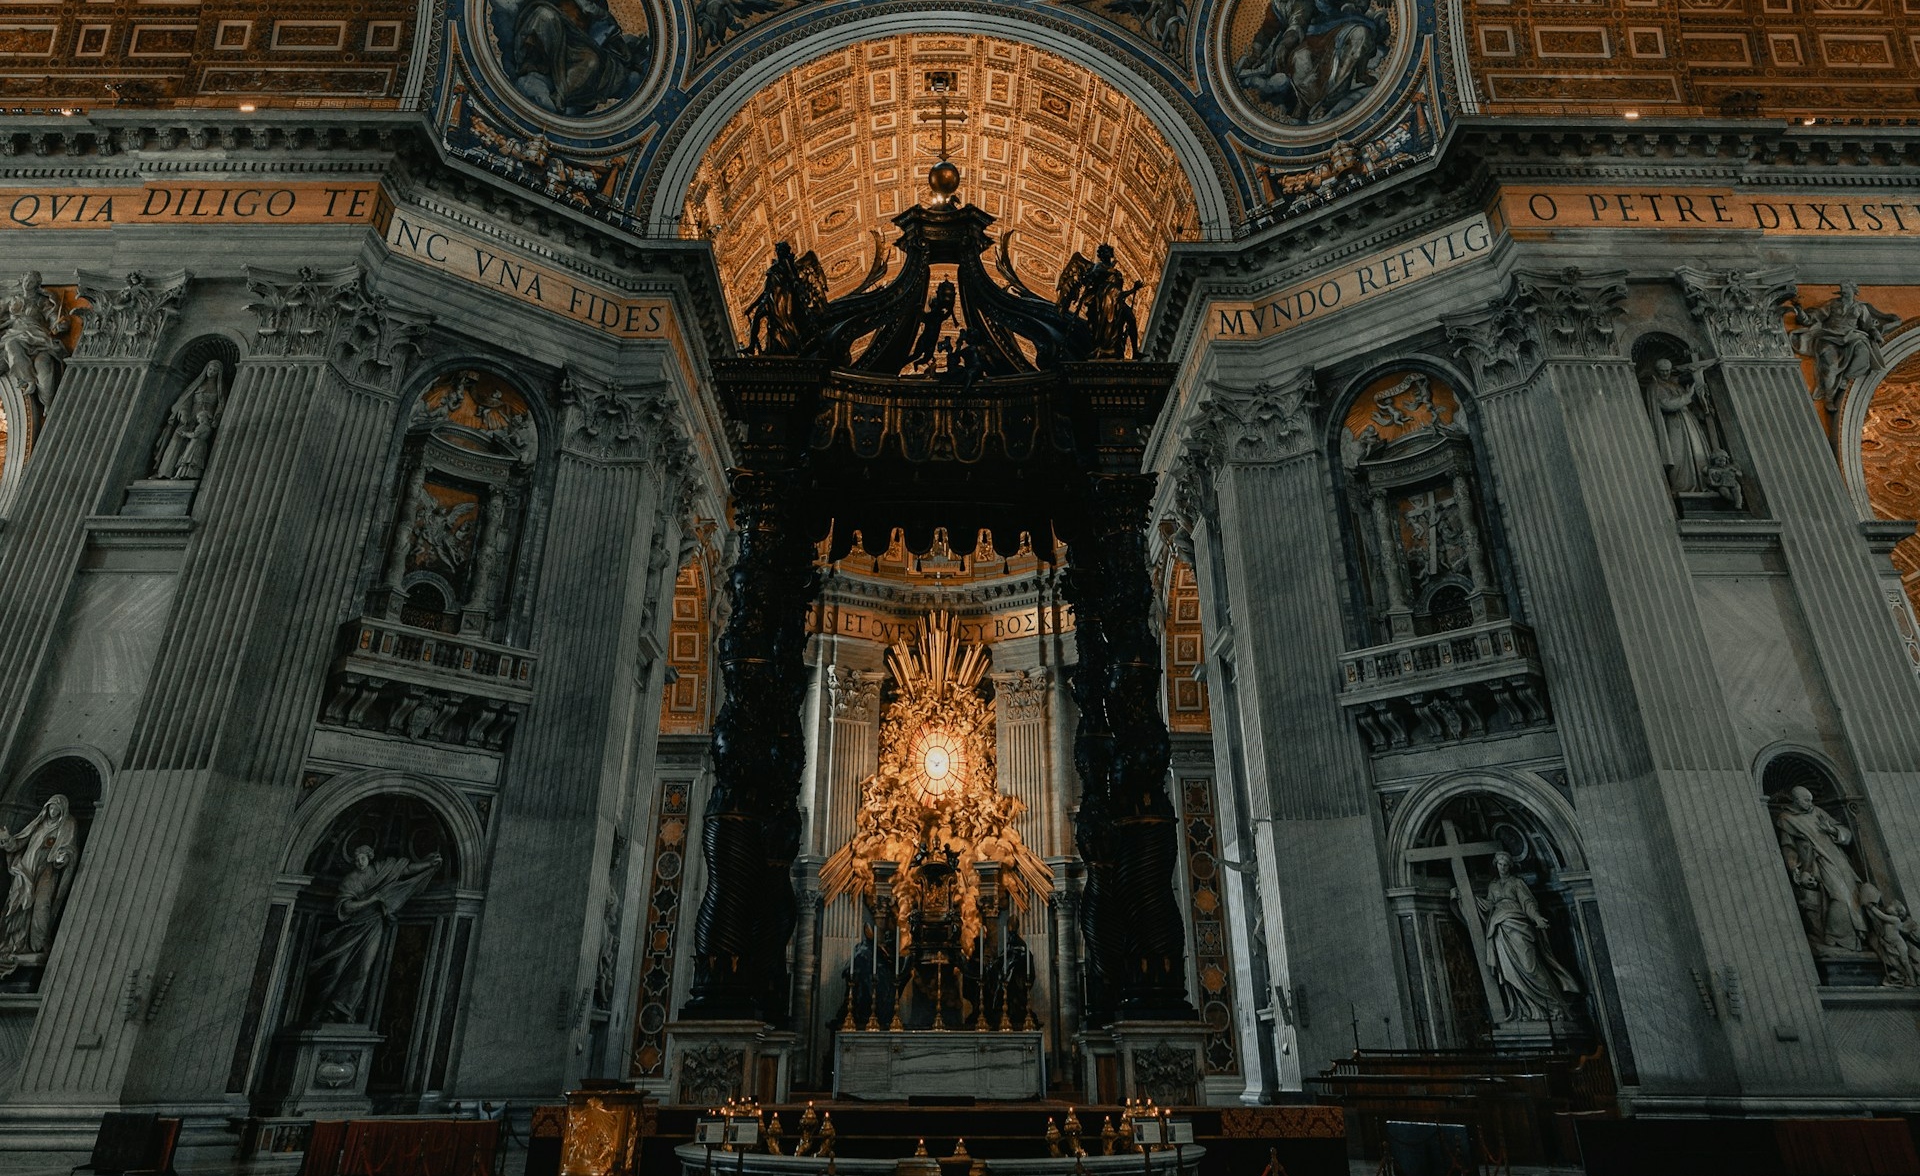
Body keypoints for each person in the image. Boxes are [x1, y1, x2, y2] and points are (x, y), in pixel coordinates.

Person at [307, 845, 442, 1022]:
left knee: (364, 968)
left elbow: (406, 869)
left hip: (374, 925)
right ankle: (318, 1010)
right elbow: (346, 907)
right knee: (336, 970)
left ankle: (342, 1009)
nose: (358, 862)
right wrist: (371, 900)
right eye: (355, 859)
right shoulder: (351, 879)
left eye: (362, 858)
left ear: (369, 857)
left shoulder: (381, 870)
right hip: (353, 927)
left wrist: (428, 864)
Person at [1456, 851, 1582, 1022]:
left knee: (1529, 967)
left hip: (1518, 925)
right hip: (1499, 929)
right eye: (1500, 864)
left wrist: (1537, 918)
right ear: (1496, 865)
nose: (1503, 867)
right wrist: (1465, 898)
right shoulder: (1493, 886)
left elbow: (1528, 902)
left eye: (1506, 864)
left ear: (1510, 866)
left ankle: (1553, 1005)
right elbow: (1488, 906)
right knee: (1510, 971)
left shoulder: (1517, 883)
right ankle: (1528, 1010)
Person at [1774, 785, 1866, 951]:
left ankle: (1854, 940)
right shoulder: (1786, 818)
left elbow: (1846, 833)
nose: (1810, 803)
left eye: (1811, 799)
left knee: (1854, 896)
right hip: (1816, 862)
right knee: (1839, 897)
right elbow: (1788, 848)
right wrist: (1796, 870)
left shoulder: (1818, 812)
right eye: (1806, 800)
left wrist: (1832, 830)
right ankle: (1835, 937)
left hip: (1838, 860)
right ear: (1795, 800)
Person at [1790, 281, 1902, 408]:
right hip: (1829, 336)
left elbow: (1868, 325)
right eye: (1842, 289)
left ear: (1854, 291)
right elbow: (1810, 319)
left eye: (1846, 289)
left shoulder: (1860, 308)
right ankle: (1829, 399)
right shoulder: (1832, 304)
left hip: (1851, 337)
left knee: (1863, 352)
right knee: (1830, 366)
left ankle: (1846, 378)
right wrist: (1799, 309)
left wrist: (1875, 334)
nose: (1843, 291)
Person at [0, 794, 79, 968]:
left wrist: (62, 858)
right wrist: (6, 839)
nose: (52, 811)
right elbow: (19, 843)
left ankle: (39, 946)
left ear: (62, 810)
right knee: (17, 906)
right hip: (25, 872)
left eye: (56, 808)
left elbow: (68, 848)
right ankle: (15, 945)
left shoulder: (67, 824)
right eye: (50, 807)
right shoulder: (39, 824)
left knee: (42, 906)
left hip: (47, 872)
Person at [0, 272, 69, 414]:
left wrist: (61, 325)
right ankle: (28, 379)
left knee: (43, 366)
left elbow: (55, 319)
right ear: (22, 280)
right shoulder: (13, 300)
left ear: (37, 285)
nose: (28, 284)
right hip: (16, 335)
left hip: (39, 339)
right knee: (11, 345)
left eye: (32, 282)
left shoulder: (42, 302)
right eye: (26, 280)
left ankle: (49, 405)